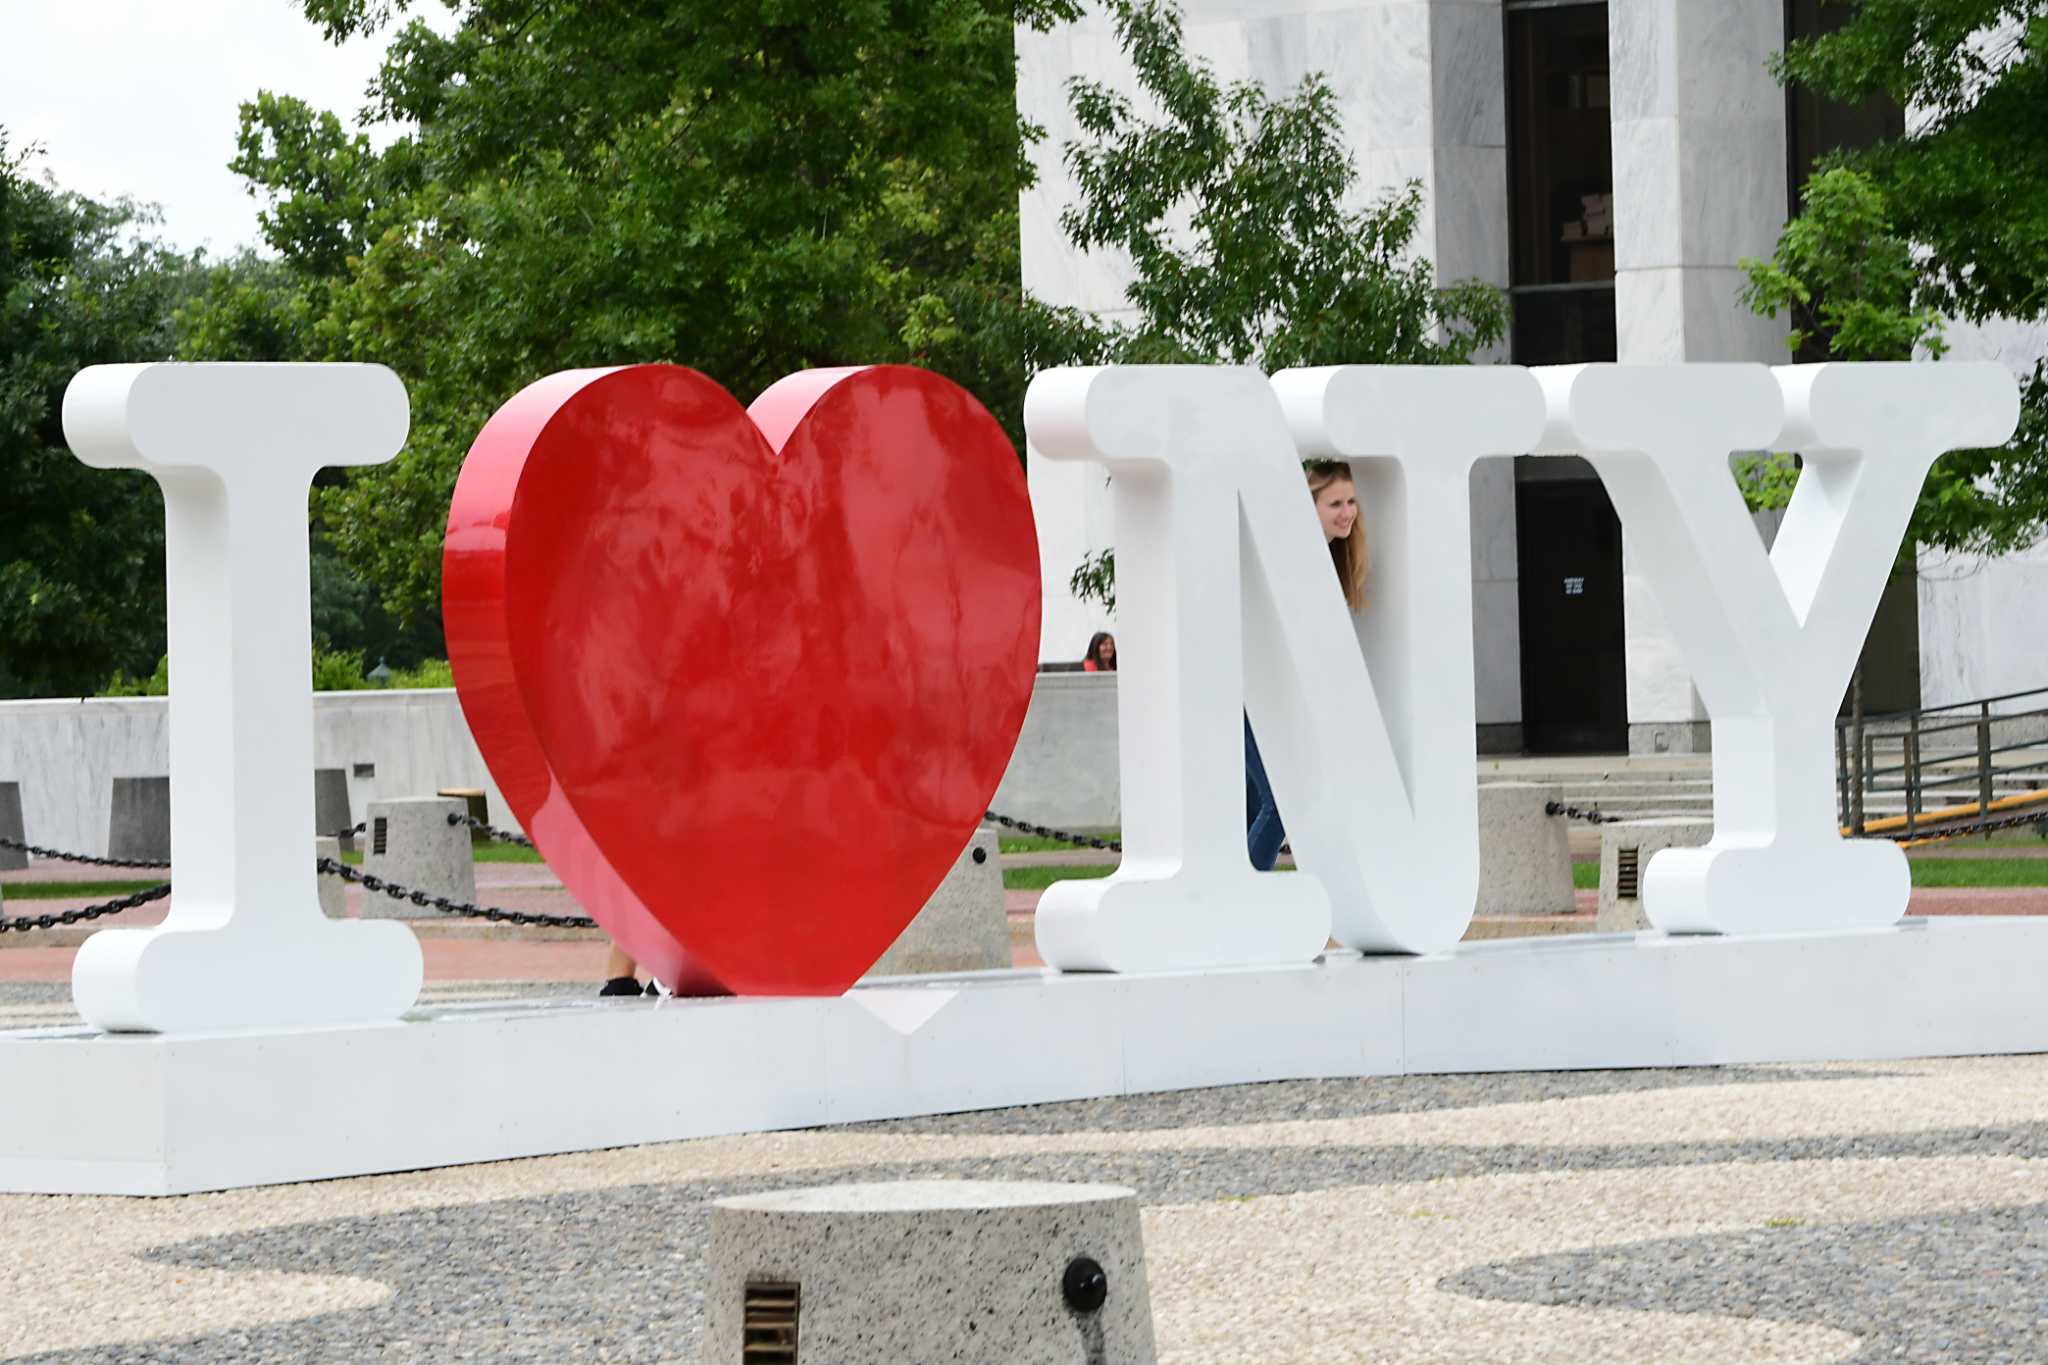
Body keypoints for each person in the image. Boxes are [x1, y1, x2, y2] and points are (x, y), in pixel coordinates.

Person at [1246, 460, 1367, 870]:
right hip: (1252, 696)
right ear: (1309, 506)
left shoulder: (1331, 560)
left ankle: (1238, 907)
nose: (1347, 511)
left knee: (1258, 805)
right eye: (1334, 503)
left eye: (1351, 501)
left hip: (1281, 699)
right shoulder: (1293, 557)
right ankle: (1245, 905)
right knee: (1279, 804)